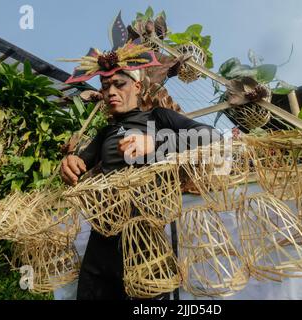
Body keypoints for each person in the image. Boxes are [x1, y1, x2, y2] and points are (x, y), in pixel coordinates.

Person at [59, 17, 221, 299]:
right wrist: (71, 163)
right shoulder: (105, 131)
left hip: (147, 234)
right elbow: (80, 167)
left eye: (119, 84)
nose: (110, 92)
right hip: (104, 236)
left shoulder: (158, 118)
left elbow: (211, 137)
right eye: (106, 85)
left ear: (136, 86)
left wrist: (155, 143)